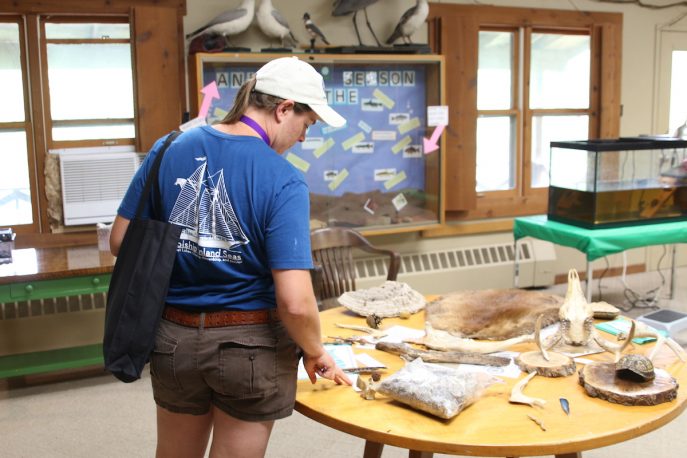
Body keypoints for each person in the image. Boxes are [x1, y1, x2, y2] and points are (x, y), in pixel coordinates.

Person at [110, 56, 351, 458]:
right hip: (250, 348)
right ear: (284, 108)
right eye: (306, 125)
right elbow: (294, 301)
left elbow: (120, 240)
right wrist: (314, 350)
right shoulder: (284, 180)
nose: (304, 138)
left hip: (173, 340)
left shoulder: (168, 148)